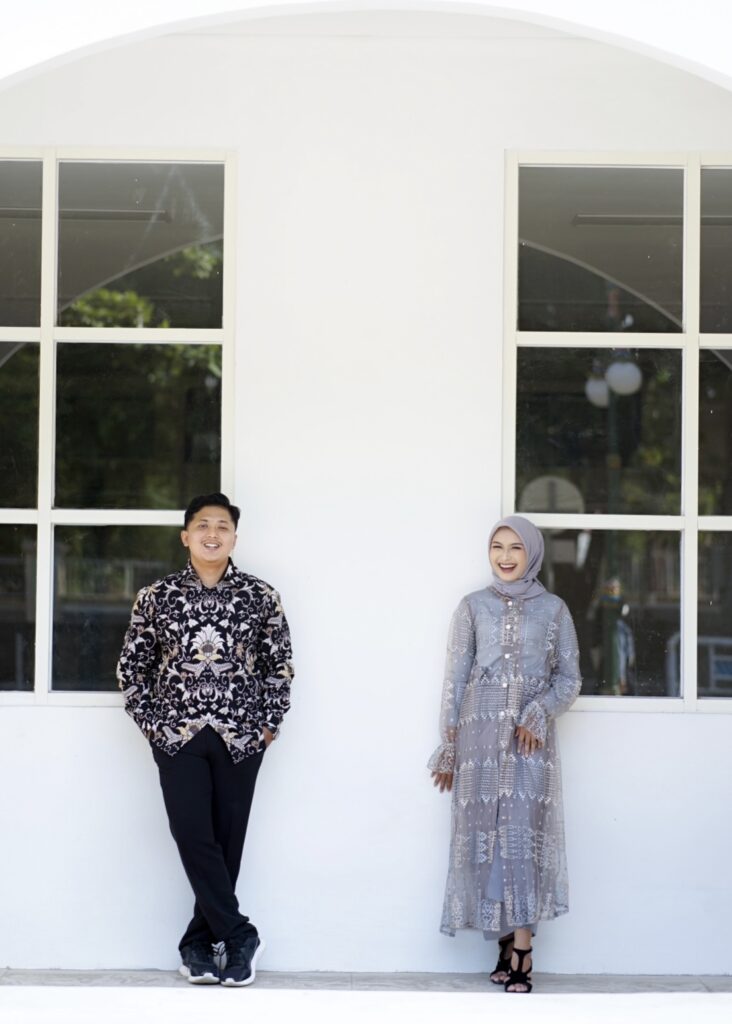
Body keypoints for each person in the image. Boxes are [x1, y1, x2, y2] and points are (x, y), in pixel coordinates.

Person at [117, 493, 294, 986]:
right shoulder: (157, 596)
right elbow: (131, 669)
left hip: (242, 735)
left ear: (234, 537)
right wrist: (154, 726)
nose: (212, 533)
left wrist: (268, 725)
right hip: (178, 735)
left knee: (226, 842)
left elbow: (279, 666)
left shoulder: (261, 596)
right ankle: (240, 934)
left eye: (222, 526)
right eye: (202, 525)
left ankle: (199, 944)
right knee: (192, 833)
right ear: (186, 536)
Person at [428, 515, 580, 994]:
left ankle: (523, 951)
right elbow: (456, 679)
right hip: (478, 736)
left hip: (527, 739)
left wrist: (539, 711)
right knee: (488, 837)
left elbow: (569, 678)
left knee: (519, 835)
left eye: (516, 547)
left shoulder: (554, 610)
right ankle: (504, 940)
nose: (506, 556)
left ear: (532, 552)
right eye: (497, 547)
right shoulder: (472, 606)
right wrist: (450, 745)